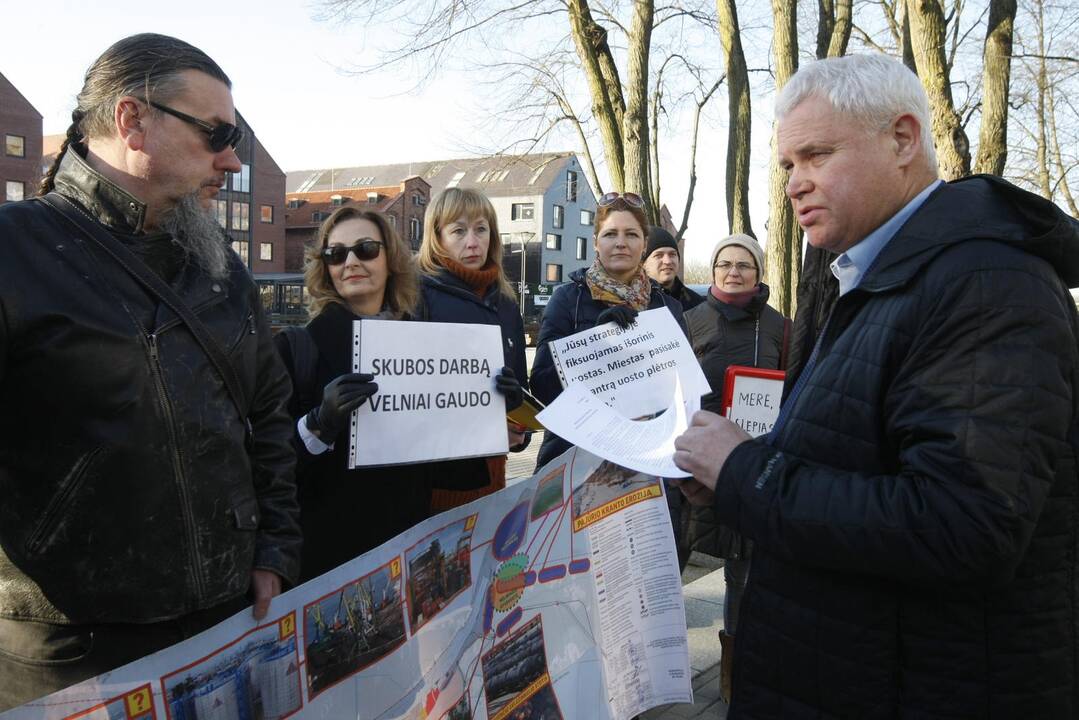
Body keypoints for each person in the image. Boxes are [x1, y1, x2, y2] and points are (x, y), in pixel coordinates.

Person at [673, 53, 1079, 718]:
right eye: (786, 167)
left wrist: (746, 470)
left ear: (901, 139)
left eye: (815, 155)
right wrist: (729, 480)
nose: (795, 185)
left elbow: (960, 525)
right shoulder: (868, 276)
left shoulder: (985, 285)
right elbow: (853, 450)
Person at [0, 34, 301, 709]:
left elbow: (267, 416)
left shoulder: (220, 266)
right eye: (217, 133)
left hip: (224, 620)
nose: (231, 158)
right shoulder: (12, 251)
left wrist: (274, 549)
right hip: (69, 649)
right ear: (133, 119)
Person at [274, 207, 487, 582]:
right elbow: (271, 465)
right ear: (326, 268)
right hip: (329, 561)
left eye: (366, 249)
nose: (351, 261)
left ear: (391, 259)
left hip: (409, 553)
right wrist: (318, 425)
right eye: (336, 254)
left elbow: (449, 467)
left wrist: (491, 415)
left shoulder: (428, 346)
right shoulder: (296, 349)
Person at [681, 233, 789, 703]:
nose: (733, 271)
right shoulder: (689, 322)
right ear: (714, 269)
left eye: (745, 264)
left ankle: (734, 673)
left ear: (759, 272)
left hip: (754, 464)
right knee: (679, 561)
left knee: (741, 572)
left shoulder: (782, 329)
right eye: (724, 263)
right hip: (696, 465)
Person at [530, 192, 688, 468]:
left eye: (631, 234)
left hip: (646, 458)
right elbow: (543, 386)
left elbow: (683, 391)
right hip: (576, 456)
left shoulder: (668, 308)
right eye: (610, 234)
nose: (620, 243)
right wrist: (595, 344)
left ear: (644, 244)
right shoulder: (567, 300)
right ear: (595, 243)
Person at [416, 187, 527, 511]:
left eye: (481, 229)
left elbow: (519, 384)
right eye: (459, 231)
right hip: (433, 482)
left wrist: (520, 430)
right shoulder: (414, 295)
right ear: (437, 236)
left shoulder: (505, 301)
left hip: (492, 474)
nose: (472, 241)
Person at [642, 226, 703, 311]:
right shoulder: (634, 303)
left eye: (672, 254)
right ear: (643, 263)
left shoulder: (697, 304)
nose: (667, 261)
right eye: (658, 255)